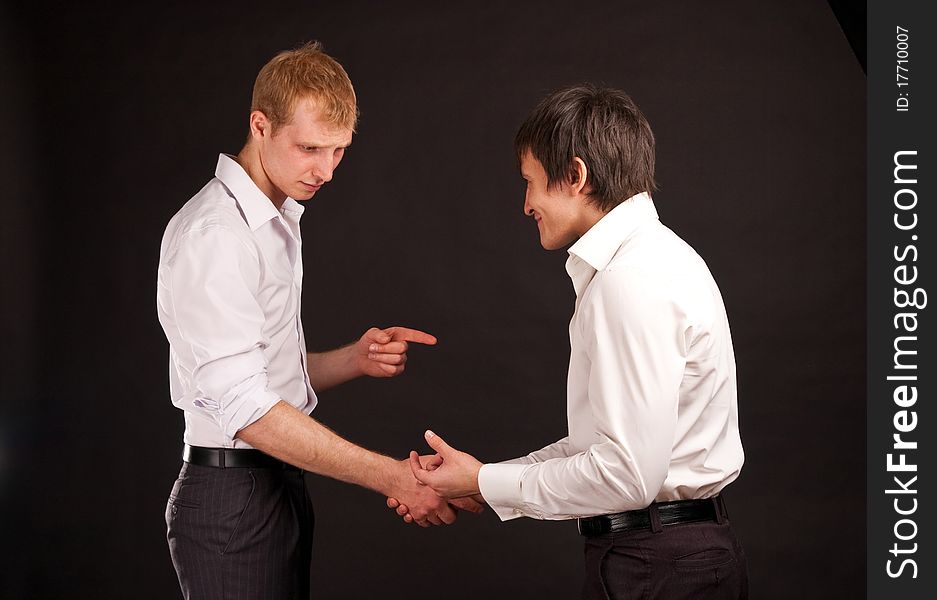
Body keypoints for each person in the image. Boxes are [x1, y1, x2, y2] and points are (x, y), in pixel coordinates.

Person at [395, 85, 748, 599]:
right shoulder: (654, 260)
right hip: (671, 557)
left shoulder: (630, 281)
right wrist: (481, 478)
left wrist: (484, 482)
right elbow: (600, 450)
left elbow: (627, 477)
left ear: (576, 177)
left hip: (657, 566)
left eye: (530, 182)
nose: (526, 204)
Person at [156, 41, 481, 600]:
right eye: (310, 147)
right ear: (260, 125)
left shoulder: (272, 219)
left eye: (338, 151)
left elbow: (260, 373)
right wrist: (393, 477)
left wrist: (354, 359)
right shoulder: (217, 236)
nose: (325, 170)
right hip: (234, 496)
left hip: (274, 486)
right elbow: (246, 409)